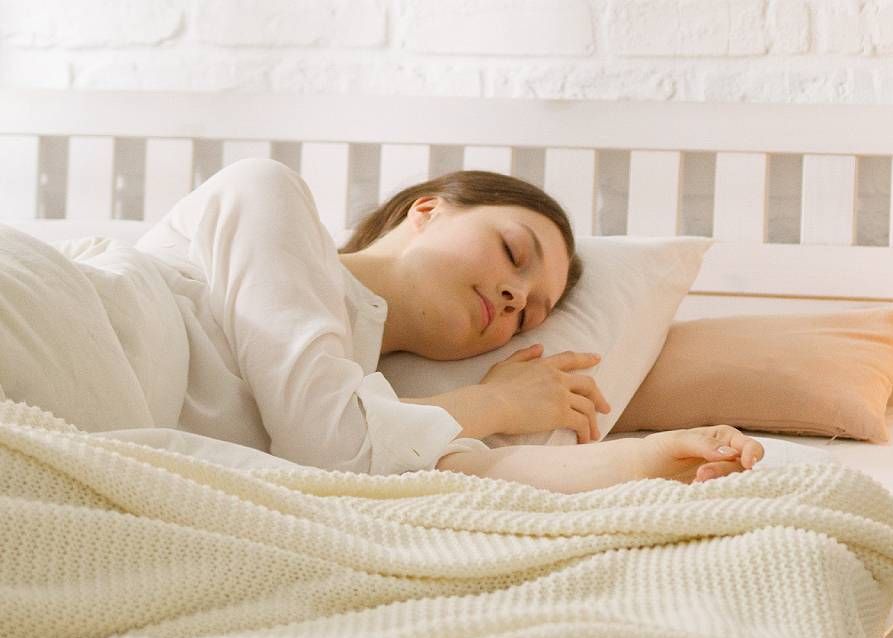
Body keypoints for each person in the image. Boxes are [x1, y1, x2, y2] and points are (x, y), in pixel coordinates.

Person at [1, 158, 762, 492]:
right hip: (58, 315)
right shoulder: (270, 197)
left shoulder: (379, 405)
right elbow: (331, 445)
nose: (513, 293)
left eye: (531, 311)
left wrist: (658, 459)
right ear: (426, 210)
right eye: (513, 252)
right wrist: (496, 403)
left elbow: (490, 477)